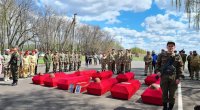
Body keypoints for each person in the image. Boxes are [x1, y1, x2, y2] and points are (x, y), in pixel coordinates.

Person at [156, 41, 183, 110]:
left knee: (172, 95)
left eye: (172, 46)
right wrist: (158, 71)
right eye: (169, 46)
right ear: (167, 47)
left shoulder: (177, 56)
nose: (170, 47)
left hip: (173, 77)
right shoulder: (161, 55)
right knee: (164, 93)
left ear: (174, 47)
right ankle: (165, 108)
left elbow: (180, 67)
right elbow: (157, 64)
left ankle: (170, 108)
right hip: (164, 76)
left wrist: (179, 77)